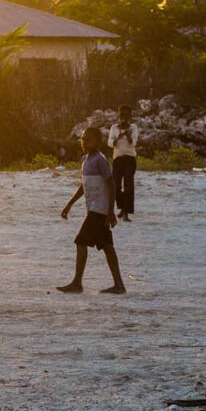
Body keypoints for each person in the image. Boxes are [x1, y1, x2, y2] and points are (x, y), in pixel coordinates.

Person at [57, 126, 125, 294]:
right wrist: (69, 204)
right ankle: (119, 285)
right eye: (83, 139)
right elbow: (84, 186)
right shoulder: (86, 160)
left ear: (98, 142)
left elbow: (111, 185)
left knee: (81, 241)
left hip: (99, 210)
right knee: (107, 246)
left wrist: (110, 211)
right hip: (93, 209)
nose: (84, 143)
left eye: (88, 140)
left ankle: (77, 283)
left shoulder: (100, 160)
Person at [108, 110, 138, 222]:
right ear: (119, 117)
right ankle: (121, 207)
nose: (124, 120)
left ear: (130, 117)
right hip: (118, 159)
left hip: (130, 158)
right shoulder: (114, 128)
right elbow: (110, 143)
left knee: (128, 186)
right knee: (115, 185)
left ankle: (126, 213)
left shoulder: (133, 127)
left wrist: (128, 136)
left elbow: (134, 143)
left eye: (126, 117)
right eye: (122, 117)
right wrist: (119, 137)